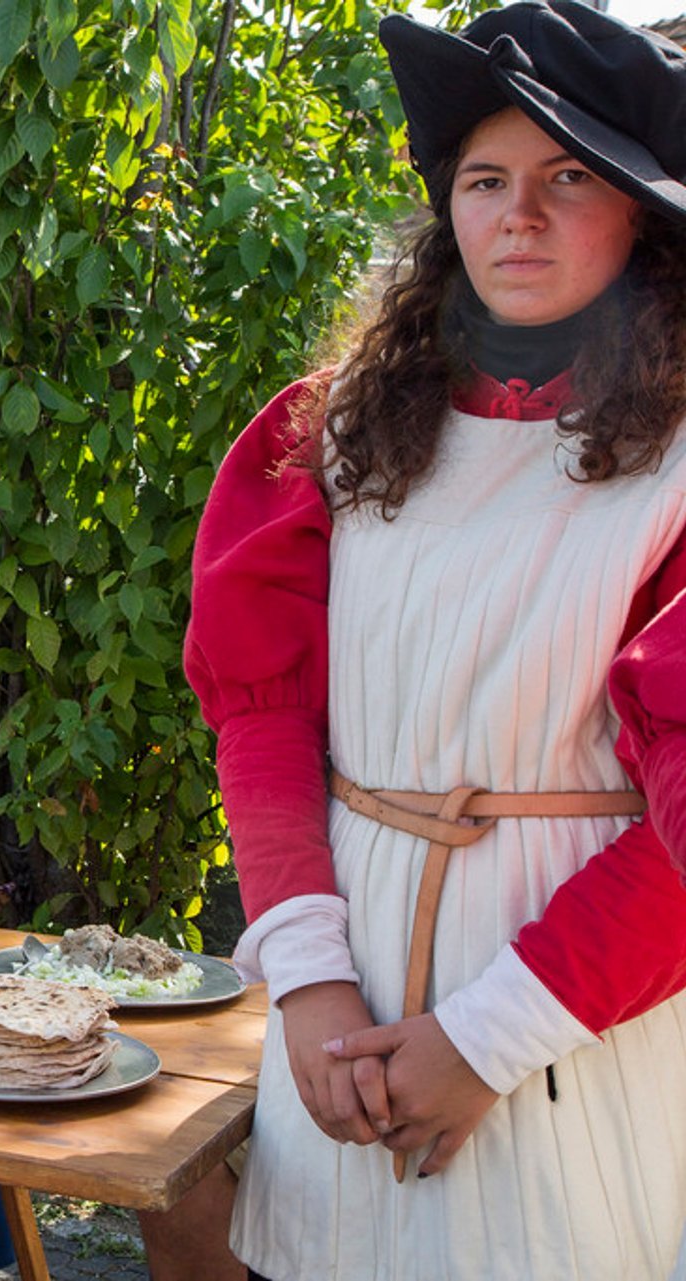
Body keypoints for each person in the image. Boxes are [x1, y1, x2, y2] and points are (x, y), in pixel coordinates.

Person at [185, 5, 686, 1277]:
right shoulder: (330, 431)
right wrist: (307, 981)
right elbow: (263, 715)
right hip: (341, 975)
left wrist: (487, 1041)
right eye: (486, 179)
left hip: (570, 1018)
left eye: (569, 177)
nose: (518, 214)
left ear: (643, 214)